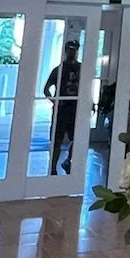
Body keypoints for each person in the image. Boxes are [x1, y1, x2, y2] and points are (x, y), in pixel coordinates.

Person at [43, 36, 82, 175]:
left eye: (75, 50)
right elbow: (46, 89)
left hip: (75, 110)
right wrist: (56, 101)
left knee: (76, 139)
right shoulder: (58, 70)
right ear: (66, 51)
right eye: (70, 49)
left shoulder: (81, 69)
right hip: (61, 110)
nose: (72, 52)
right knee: (56, 140)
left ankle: (68, 161)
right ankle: (53, 167)